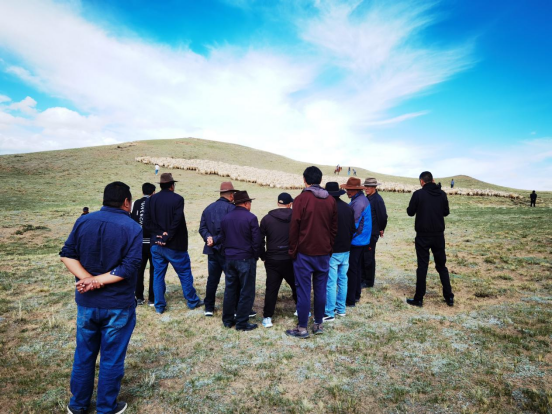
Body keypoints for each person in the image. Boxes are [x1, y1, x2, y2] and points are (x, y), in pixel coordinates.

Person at [60, 181, 141, 414]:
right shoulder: (132, 227)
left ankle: (78, 405)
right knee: (112, 358)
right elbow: (129, 267)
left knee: (84, 355)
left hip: (87, 303)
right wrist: (93, 280)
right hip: (118, 305)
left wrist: (88, 280)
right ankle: (106, 407)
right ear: (126, 202)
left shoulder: (84, 221)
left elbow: (67, 255)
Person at [286, 166, 337, 338]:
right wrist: (329, 247)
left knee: (304, 290)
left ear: (304, 180)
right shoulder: (330, 200)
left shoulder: (301, 199)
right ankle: (318, 324)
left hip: (304, 253)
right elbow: (334, 228)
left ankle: (302, 327)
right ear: (320, 180)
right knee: (321, 289)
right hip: (323, 252)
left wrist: (292, 250)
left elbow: (294, 227)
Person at [143, 173, 203, 314]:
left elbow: (146, 223)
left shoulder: (151, 200)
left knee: (158, 275)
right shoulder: (178, 199)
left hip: (156, 244)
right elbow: (177, 221)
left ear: (160, 185)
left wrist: (160, 233)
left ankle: (159, 306)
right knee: (184, 273)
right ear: (172, 185)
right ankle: (192, 301)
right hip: (175, 245)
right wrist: (167, 236)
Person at [406, 171, 454, 307]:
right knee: (441, 266)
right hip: (438, 235)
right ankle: (449, 296)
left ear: (422, 181)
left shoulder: (418, 194)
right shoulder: (442, 194)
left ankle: (419, 298)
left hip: (423, 235)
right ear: (432, 180)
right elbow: (446, 212)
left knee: (422, 266)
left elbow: (410, 212)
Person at [220, 190, 262, 331]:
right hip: (245, 258)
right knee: (246, 291)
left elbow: (222, 239)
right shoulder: (251, 218)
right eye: (250, 202)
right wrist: (255, 256)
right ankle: (242, 323)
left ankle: (227, 320)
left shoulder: (226, 218)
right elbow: (257, 241)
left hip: (229, 258)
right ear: (245, 203)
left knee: (230, 290)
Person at [198, 182, 238, 316]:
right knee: (231, 280)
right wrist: (214, 239)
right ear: (231, 195)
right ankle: (234, 308)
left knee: (212, 280)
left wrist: (208, 237)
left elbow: (202, 228)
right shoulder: (232, 209)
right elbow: (230, 231)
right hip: (227, 251)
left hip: (212, 250)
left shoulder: (208, 208)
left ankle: (209, 308)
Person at [259, 192, 297, 328]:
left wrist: (263, 256)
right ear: (290, 204)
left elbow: (259, 240)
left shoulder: (266, 219)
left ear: (277, 203)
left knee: (271, 288)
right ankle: (301, 309)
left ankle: (267, 317)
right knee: (297, 285)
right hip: (291, 258)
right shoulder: (296, 217)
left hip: (272, 259)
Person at [323, 182, 355, 322]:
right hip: (346, 249)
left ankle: (329, 312)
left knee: (330, 282)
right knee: (343, 280)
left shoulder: (328, 208)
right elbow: (353, 229)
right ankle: (341, 309)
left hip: (333, 250)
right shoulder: (348, 208)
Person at [340, 177, 372, 308]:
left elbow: (353, 225)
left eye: (350, 189)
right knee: (357, 268)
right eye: (347, 189)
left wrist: (346, 237)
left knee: (352, 270)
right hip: (362, 240)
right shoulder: (361, 199)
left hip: (357, 241)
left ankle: (351, 299)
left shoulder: (358, 203)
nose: (347, 191)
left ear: (356, 190)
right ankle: (356, 294)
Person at [130, 182, 156, 306]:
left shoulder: (135, 203)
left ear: (142, 191)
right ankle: (152, 298)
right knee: (154, 270)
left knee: (139, 270)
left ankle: (139, 297)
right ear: (153, 193)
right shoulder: (154, 203)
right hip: (152, 242)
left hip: (138, 242)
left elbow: (131, 220)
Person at [361, 178, 388, 289]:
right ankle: (363, 278)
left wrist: (381, 228)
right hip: (366, 233)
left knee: (369, 257)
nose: (366, 188)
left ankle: (368, 281)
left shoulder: (377, 200)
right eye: (365, 186)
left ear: (374, 187)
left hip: (372, 233)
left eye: (368, 186)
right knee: (364, 256)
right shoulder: (368, 198)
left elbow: (383, 216)